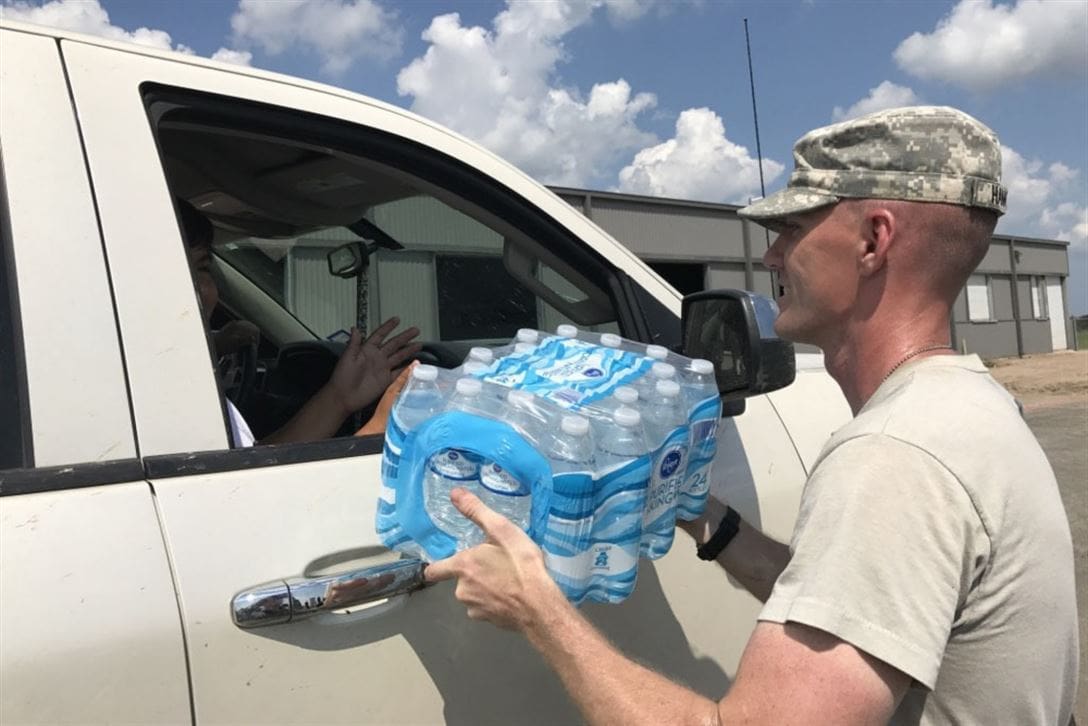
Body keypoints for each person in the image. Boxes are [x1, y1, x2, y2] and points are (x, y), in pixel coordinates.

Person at [425, 106, 1079, 725]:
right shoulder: (968, 404)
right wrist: (700, 512)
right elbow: (853, 610)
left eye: (791, 230)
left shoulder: (892, 457)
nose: (770, 258)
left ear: (874, 240)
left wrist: (537, 607)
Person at [180, 199, 420, 445]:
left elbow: (255, 464)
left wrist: (339, 398)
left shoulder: (176, 381)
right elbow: (248, 484)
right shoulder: (166, 399)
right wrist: (381, 428)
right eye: (177, 270)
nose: (197, 289)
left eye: (201, 268)